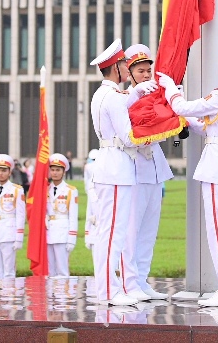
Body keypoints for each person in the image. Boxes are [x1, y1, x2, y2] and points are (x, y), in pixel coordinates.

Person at [157, 42, 218, 307]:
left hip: (217, 168)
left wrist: (171, 89)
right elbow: (210, 129)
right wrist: (188, 122)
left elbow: (183, 108)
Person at [120, 43, 174, 301]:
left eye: (147, 71)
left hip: (154, 169)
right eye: (140, 71)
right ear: (128, 73)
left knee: (149, 231)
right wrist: (136, 95)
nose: (145, 75)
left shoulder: (154, 95)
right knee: (131, 231)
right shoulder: (123, 98)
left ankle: (142, 280)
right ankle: (129, 283)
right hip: (133, 168)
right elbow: (122, 124)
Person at [88, 39, 140, 306]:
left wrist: (139, 93)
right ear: (116, 68)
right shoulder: (114, 98)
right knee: (113, 233)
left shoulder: (102, 94)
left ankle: (107, 288)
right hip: (117, 167)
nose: (127, 69)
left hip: (108, 164)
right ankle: (108, 291)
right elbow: (129, 137)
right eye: (124, 64)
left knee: (108, 232)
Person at [44, 153, 78, 277]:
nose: (55, 173)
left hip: (63, 234)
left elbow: (73, 217)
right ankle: (51, 296)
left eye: (58, 170)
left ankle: (62, 296)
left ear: (64, 172)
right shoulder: (45, 189)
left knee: (62, 271)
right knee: (49, 271)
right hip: (48, 233)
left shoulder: (71, 191)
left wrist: (71, 239)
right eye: (52, 170)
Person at [82, 149, 99, 255]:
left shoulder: (88, 166)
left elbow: (85, 179)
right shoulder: (98, 165)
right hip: (93, 189)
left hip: (90, 187)